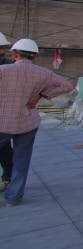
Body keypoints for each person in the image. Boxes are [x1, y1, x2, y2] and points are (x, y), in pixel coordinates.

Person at [0, 38, 73, 207]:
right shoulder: (43, 73)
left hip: (2, 122)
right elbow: (67, 85)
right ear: (34, 56)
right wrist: (43, 95)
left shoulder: (4, 70)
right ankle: (13, 198)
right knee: (21, 160)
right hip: (27, 123)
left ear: (16, 54)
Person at [0, 32, 13, 192]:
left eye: (3, 48)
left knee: (4, 148)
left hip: (4, 114)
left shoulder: (10, 66)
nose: (3, 51)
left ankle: (8, 177)